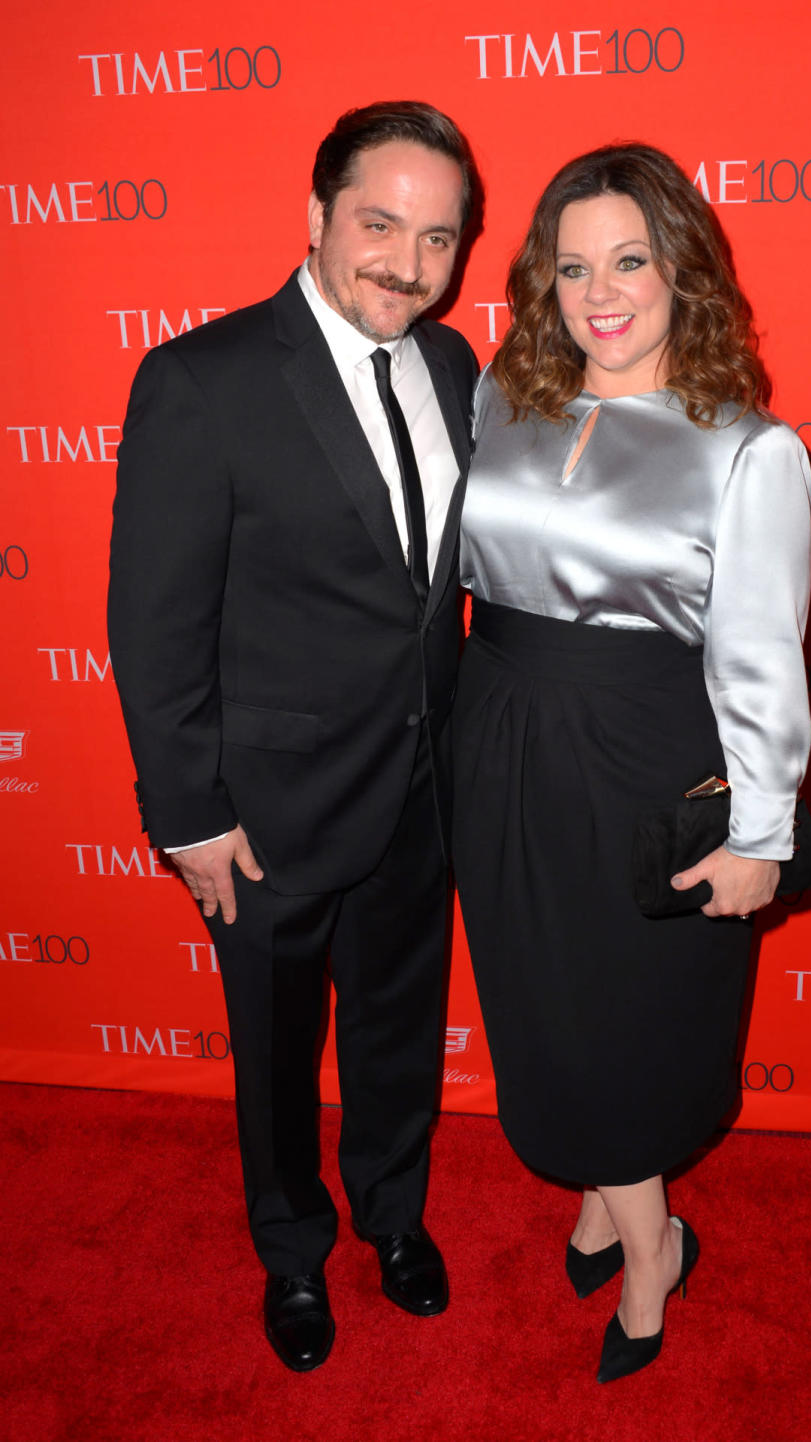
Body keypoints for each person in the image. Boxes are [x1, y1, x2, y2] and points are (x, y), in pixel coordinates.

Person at [108, 101, 478, 1372]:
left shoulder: (455, 366)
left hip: (420, 791)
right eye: (380, 224)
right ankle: (291, 1250)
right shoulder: (201, 381)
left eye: (438, 238)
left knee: (396, 1022)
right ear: (316, 216)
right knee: (275, 1053)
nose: (407, 264)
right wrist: (189, 808)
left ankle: (395, 1215)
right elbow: (154, 622)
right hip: (263, 810)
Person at [452, 144, 811, 1383]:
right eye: (571, 267)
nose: (599, 292)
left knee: (622, 1014)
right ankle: (616, 1198)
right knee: (539, 1000)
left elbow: (762, 654)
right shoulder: (504, 394)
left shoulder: (747, 449)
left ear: (681, 271)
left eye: (629, 261)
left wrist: (761, 834)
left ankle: (651, 1243)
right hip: (494, 734)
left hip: (642, 757)